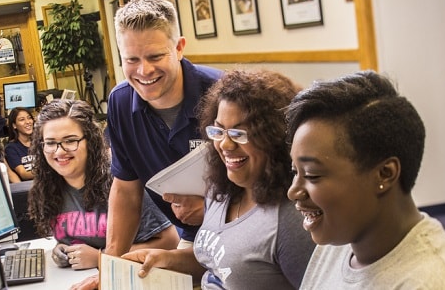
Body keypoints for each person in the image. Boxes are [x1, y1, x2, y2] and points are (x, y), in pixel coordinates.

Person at [123, 69, 316, 289]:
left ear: (275, 137)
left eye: (238, 134)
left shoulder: (290, 220)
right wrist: (166, 259)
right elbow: (221, 265)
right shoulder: (221, 190)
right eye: (219, 131)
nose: (225, 144)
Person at [285, 70, 445, 289]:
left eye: (312, 174)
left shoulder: (432, 281)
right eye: (295, 171)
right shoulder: (339, 240)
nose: (293, 192)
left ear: (384, 174)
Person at [104, 0, 222, 259]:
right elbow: (126, 190)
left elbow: (267, 187)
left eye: (155, 56)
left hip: (242, 229)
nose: (144, 70)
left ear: (179, 48)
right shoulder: (120, 102)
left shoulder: (223, 94)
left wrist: (214, 208)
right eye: (131, 60)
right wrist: (109, 268)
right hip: (193, 238)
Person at [27, 99, 179, 288]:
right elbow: (71, 237)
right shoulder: (48, 186)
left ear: (89, 141)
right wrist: (62, 249)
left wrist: (100, 256)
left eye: (70, 141)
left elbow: (171, 241)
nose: (59, 151)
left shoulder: (121, 181)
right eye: (50, 143)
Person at [4, 107, 35, 181]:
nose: (28, 122)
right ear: (14, 125)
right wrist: (46, 171)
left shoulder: (39, 142)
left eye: (29, 118)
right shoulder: (11, 148)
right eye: (22, 119)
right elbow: (23, 174)